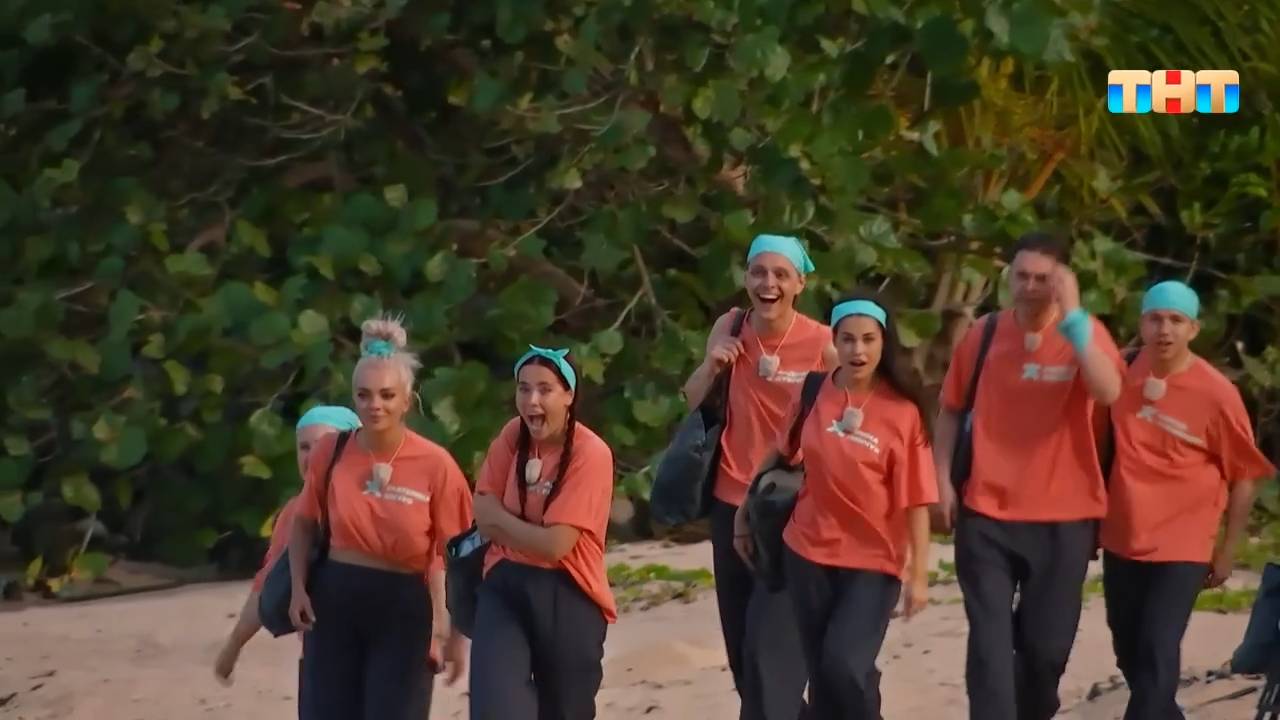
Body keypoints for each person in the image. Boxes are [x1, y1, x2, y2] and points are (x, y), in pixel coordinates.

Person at [933, 232, 1125, 720]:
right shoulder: (984, 334)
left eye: (1043, 279)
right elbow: (951, 409)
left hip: (1065, 517)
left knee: (1045, 651)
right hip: (986, 511)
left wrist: (1074, 318)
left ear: (1063, 281)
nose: (1030, 288)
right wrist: (941, 478)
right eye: (1021, 276)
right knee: (990, 645)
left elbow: (1108, 392)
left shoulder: (1086, 333)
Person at [736, 295, 937, 719]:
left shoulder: (903, 412)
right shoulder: (814, 390)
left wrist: (918, 576)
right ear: (835, 341)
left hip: (874, 562)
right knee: (822, 674)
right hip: (807, 551)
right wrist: (743, 511)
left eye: (868, 339)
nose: (857, 350)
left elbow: (917, 500)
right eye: (847, 339)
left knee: (844, 664)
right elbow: (780, 451)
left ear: (884, 342)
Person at [1100, 280, 1275, 720]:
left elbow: (1245, 476)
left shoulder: (1216, 392)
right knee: (1129, 650)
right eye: (1155, 319)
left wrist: (1228, 549)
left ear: (1193, 329)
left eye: (1176, 321)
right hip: (1123, 537)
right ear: (1142, 323)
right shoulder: (1118, 372)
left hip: (1184, 542)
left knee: (1157, 646)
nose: (1165, 329)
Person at [681, 233, 837, 720]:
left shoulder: (823, 343)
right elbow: (692, 402)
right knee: (744, 665)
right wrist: (713, 364)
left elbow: (845, 425)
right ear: (746, 278)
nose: (768, 283)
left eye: (780, 275)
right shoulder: (729, 325)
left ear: (800, 284)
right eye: (758, 273)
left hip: (790, 510)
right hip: (729, 503)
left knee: (771, 660)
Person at [287, 315, 473, 720]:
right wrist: (298, 587)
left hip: (405, 605)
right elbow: (303, 522)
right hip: (335, 597)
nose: (375, 405)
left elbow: (459, 553)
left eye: (387, 395)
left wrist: (456, 635)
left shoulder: (435, 464)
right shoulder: (331, 452)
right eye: (364, 395)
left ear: (407, 400)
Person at [469, 346, 617, 720]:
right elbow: (481, 512)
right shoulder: (512, 435)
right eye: (524, 388)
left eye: (544, 389)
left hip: (570, 592)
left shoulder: (591, 452)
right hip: (504, 583)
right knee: (495, 707)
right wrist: (518, 529)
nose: (531, 400)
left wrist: (501, 522)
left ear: (569, 395)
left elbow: (556, 545)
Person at [213, 405, 361, 694]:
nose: (311, 455)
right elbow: (269, 584)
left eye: (323, 445)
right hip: (323, 654)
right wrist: (233, 647)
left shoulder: (388, 500)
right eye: (304, 447)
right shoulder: (296, 513)